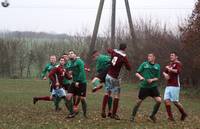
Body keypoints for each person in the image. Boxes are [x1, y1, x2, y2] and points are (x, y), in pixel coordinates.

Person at [101, 43, 131, 120]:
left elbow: (108, 50)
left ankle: (103, 110)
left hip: (108, 75)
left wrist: (111, 52)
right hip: (115, 78)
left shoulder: (114, 51)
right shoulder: (124, 57)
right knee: (116, 95)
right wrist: (126, 65)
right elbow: (129, 68)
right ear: (125, 48)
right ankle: (113, 114)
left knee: (107, 93)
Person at [130, 53, 161, 123]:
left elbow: (157, 77)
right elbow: (137, 73)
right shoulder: (144, 64)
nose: (148, 58)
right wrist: (140, 77)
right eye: (148, 56)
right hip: (144, 87)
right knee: (138, 102)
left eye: (150, 56)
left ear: (154, 58)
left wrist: (152, 80)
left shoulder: (157, 66)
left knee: (159, 101)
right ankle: (132, 116)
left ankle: (152, 115)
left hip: (153, 87)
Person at [163, 52, 187, 121]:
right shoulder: (170, 64)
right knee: (166, 100)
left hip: (175, 85)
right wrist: (165, 75)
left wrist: (169, 69)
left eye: (172, 55)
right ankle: (170, 117)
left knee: (175, 102)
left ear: (176, 57)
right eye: (170, 55)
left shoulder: (178, 63)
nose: (171, 56)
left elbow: (177, 71)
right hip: (168, 85)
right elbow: (164, 72)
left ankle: (184, 113)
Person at [66, 50, 88, 118]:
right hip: (74, 82)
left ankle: (85, 114)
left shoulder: (79, 61)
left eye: (72, 53)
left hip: (82, 82)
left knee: (82, 99)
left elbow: (82, 71)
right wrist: (69, 73)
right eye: (69, 54)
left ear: (75, 54)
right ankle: (72, 112)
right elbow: (68, 70)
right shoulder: (69, 63)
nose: (70, 54)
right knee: (68, 97)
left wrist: (78, 81)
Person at [91, 50, 113, 116]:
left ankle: (97, 86)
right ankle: (110, 111)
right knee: (109, 94)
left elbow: (99, 69)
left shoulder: (100, 58)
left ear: (97, 54)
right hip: (111, 74)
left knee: (94, 81)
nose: (93, 58)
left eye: (93, 56)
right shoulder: (106, 57)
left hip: (105, 71)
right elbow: (112, 61)